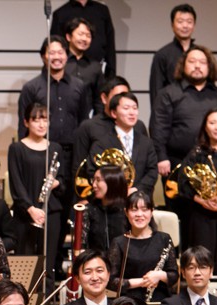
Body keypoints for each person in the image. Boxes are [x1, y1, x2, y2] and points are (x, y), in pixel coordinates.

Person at [172, 109, 217, 273]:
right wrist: (202, 201)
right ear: (205, 127)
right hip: (201, 214)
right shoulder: (196, 154)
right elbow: (183, 183)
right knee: (202, 258)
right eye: (212, 123)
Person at [17, 36, 89, 178]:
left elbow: (84, 121)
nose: (57, 57)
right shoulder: (31, 88)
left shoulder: (79, 86)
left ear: (67, 55)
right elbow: (23, 125)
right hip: (41, 152)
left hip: (72, 154)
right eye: (52, 53)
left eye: (60, 52)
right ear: (43, 56)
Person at [151, 45, 217, 185]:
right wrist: (161, 157)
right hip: (176, 163)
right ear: (183, 65)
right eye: (192, 61)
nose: (197, 66)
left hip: (215, 163)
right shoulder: (168, 93)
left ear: (210, 66)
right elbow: (158, 127)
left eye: (202, 62)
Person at [8, 102, 66, 275]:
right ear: (26, 122)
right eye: (36, 120)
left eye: (45, 119)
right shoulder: (17, 148)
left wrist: (56, 183)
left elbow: (62, 181)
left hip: (50, 212)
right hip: (25, 213)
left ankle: (46, 300)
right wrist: (30, 209)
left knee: (47, 265)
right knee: (24, 264)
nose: (42, 124)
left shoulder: (55, 148)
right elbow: (16, 183)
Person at [82, 91, 159, 196]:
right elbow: (92, 171)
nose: (132, 112)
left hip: (140, 198)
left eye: (135, 108)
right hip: (111, 199)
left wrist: (136, 189)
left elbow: (152, 171)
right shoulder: (101, 143)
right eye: (126, 108)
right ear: (114, 113)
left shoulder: (146, 142)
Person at [107, 191, 178, 303]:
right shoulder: (119, 242)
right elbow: (110, 282)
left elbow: (174, 276)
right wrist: (143, 281)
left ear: (151, 211)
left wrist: (159, 275)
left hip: (161, 302)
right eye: (134, 210)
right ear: (126, 212)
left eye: (144, 210)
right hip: (129, 303)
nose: (139, 214)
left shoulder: (164, 239)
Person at [51, 0, 116, 78]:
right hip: (69, 70)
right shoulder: (60, 13)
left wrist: (111, 75)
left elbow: (110, 46)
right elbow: (55, 45)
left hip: (96, 70)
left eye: (88, 35)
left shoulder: (102, 10)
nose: (84, 38)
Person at [149, 4, 196, 107]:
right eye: (180, 21)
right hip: (172, 111)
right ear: (172, 25)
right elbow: (156, 91)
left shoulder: (201, 55)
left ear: (194, 25)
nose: (185, 26)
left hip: (197, 110)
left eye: (189, 22)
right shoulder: (162, 55)